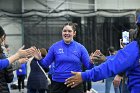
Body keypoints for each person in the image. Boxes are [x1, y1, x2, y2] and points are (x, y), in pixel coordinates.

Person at [64, 10, 140, 93]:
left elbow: (113, 65)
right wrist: (106, 59)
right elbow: (120, 60)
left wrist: (84, 75)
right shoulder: (133, 50)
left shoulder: (134, 48)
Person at [32, 22, 94, 93]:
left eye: (69, 31)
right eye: (64, 31)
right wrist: (40, 59)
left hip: (75, 83)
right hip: (58, 84)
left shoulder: (81, 48)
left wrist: (91, 62)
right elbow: (45, 64)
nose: (66, 33)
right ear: (62, 32)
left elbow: (89, 67)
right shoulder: (54, 47)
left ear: (74, 33)